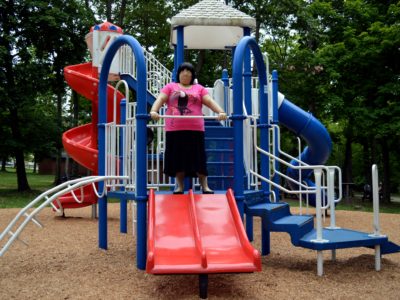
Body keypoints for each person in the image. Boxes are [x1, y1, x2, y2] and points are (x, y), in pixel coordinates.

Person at [149, 62, 227, 194]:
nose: (185, 73)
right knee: (178, 158)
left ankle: (205, 186)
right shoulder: (170, 87)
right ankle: (179, 186)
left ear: (192, 75)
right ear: (178, 74)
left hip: (195, 129)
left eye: (188, 71)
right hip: (175, 130)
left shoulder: (199, 88)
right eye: (183, 71)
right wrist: (154, 110)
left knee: (199, 157)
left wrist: (221, 112)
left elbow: (209, 101)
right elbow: (161, 98)